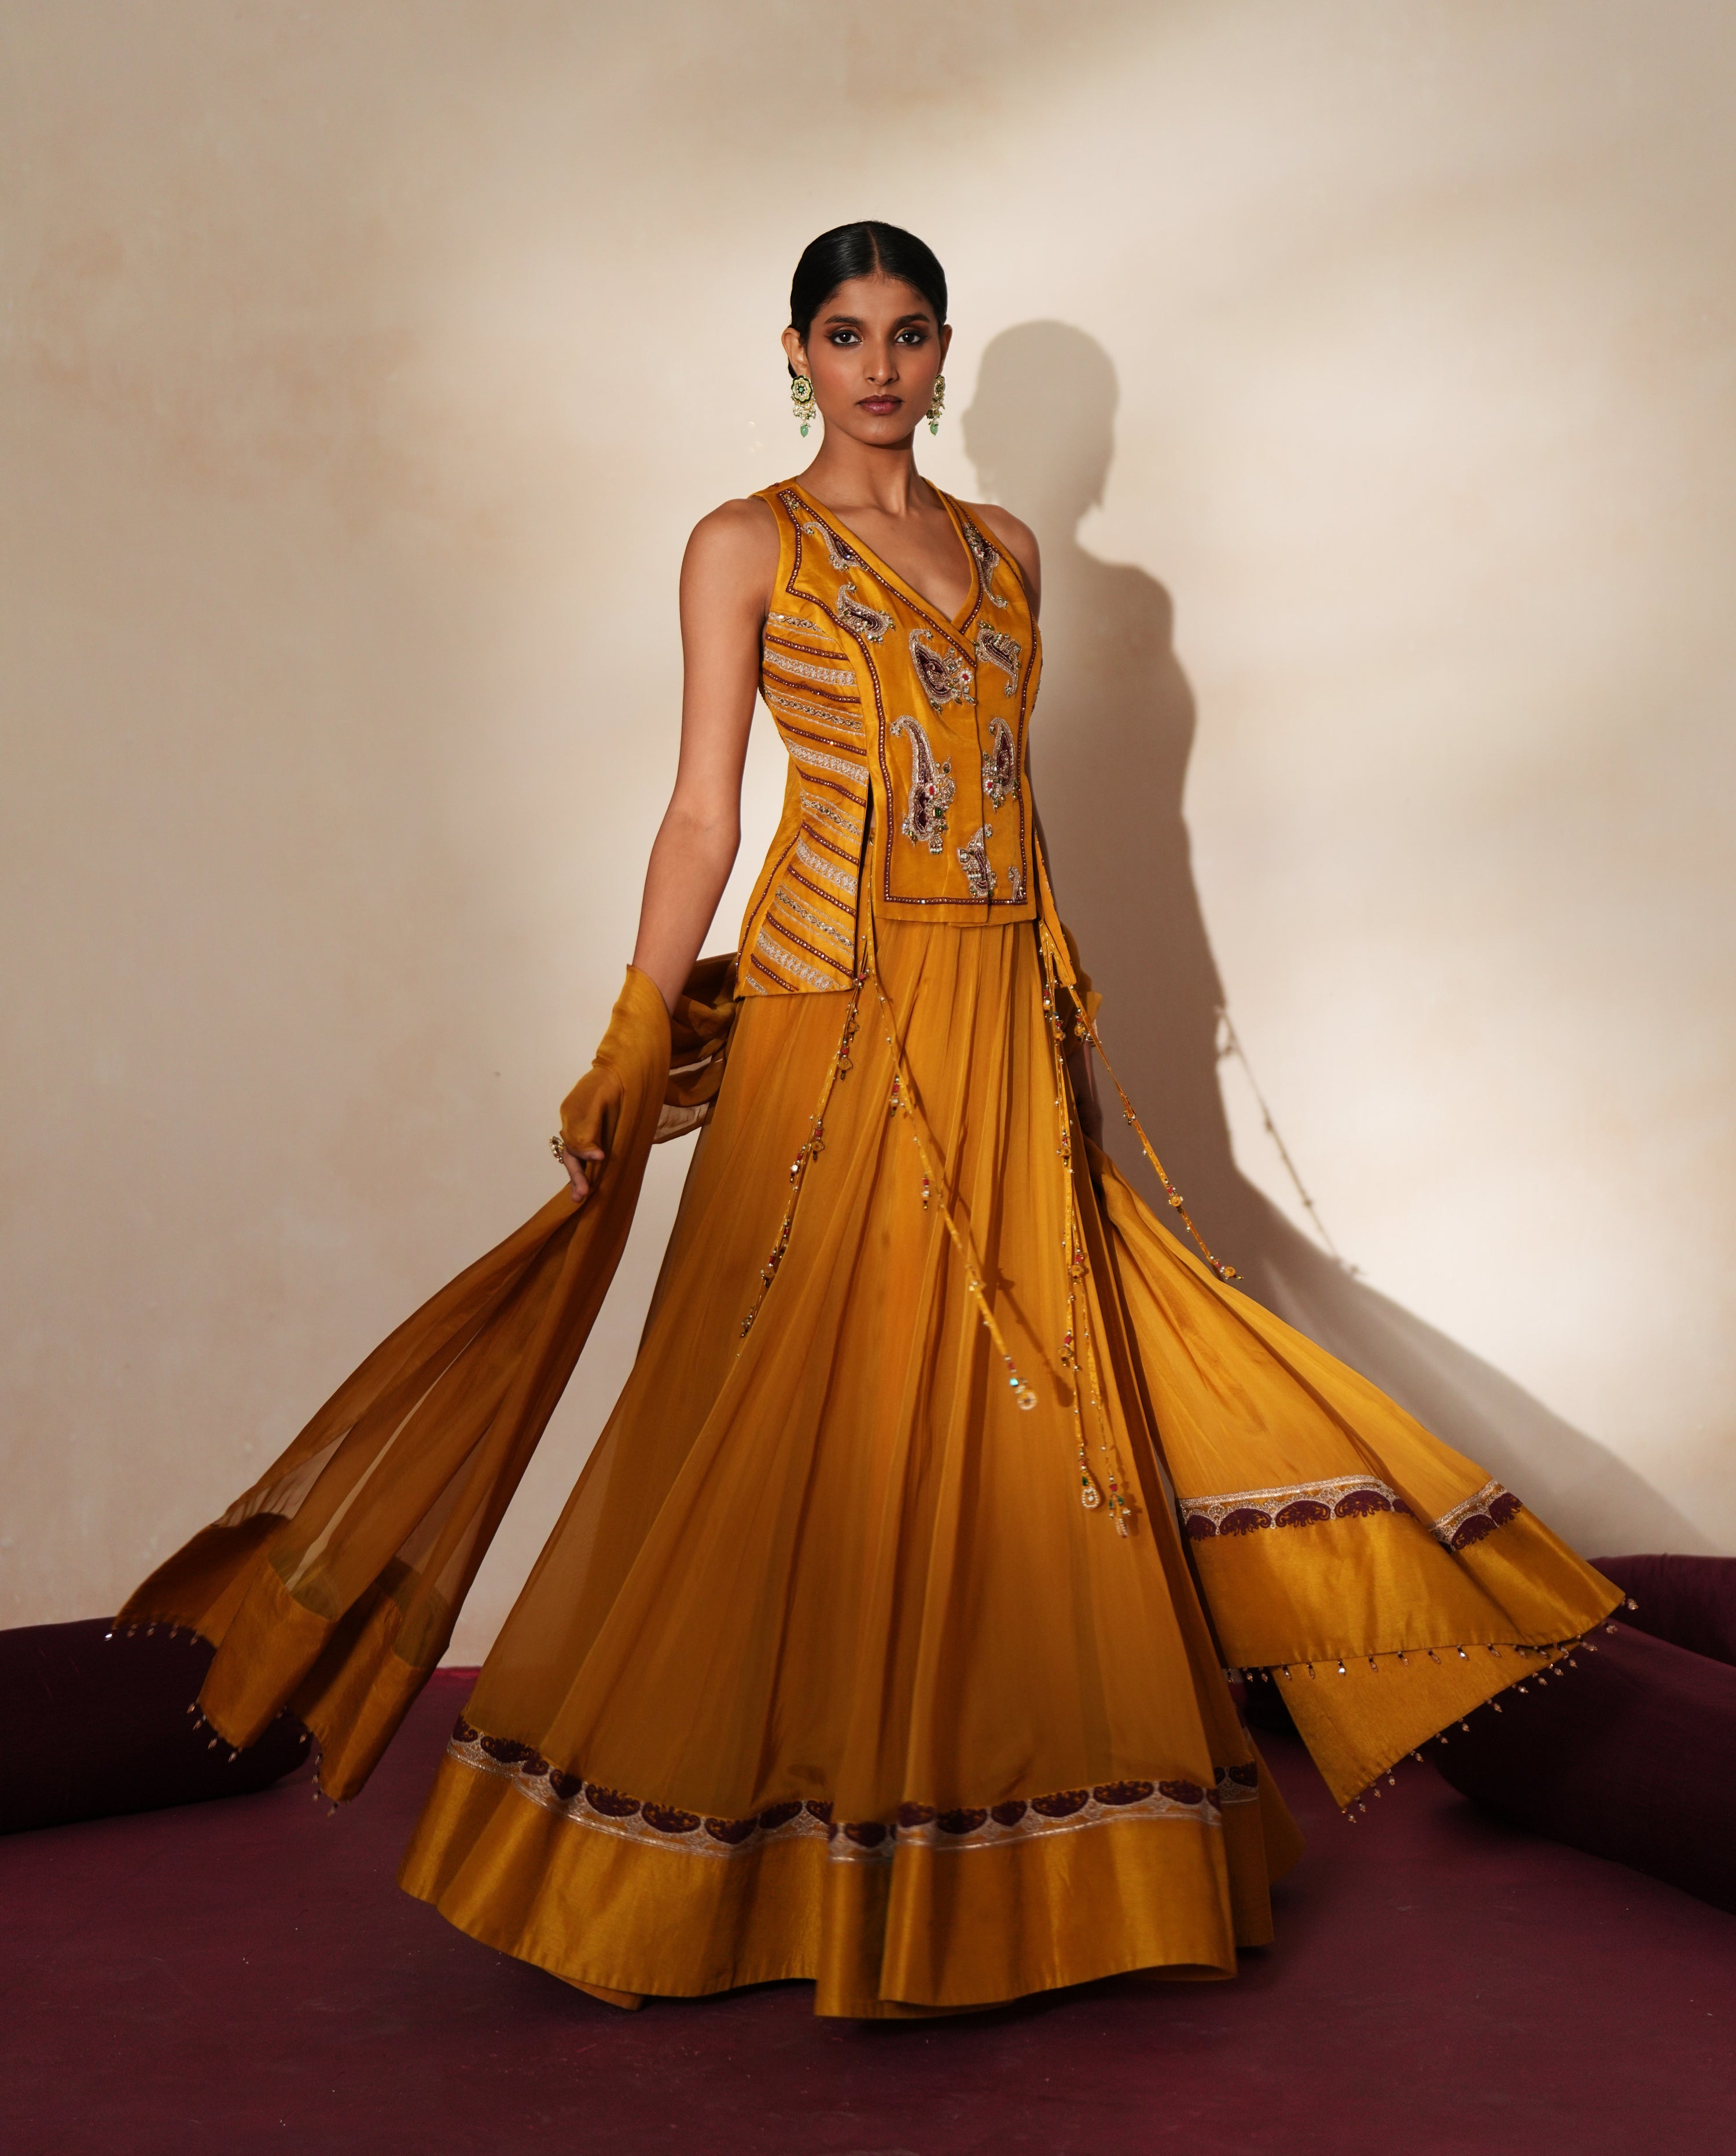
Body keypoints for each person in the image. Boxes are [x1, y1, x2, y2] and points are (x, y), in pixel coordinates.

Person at [119, 222, 1620, 2018]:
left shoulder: (1010, 552)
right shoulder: (744, 544)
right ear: (795, 353)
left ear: (944, 353)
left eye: (911, 335)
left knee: (1031, 1419)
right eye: (847, 335)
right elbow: (700, 815)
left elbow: (1021, 805)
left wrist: (1078, 1012)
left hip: (1000, 1012)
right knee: (805, 1412)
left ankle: (1039, 1866)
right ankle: (736, 1864)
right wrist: (634, 1020)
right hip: (836, 1028)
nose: (882, 367)